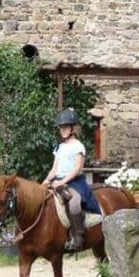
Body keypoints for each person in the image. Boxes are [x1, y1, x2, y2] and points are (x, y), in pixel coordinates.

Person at [41, 108, 100, 252]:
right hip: (58, 181)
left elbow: (77, 169)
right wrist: (45, 181)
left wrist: (61, 182)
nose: (62, 130)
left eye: (65, 127)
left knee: (73, 203)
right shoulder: (59, 147)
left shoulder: (78, 146)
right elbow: (55, 169)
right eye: (61, 127)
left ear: (73, 128)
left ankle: (78, 237)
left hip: (75, 182)